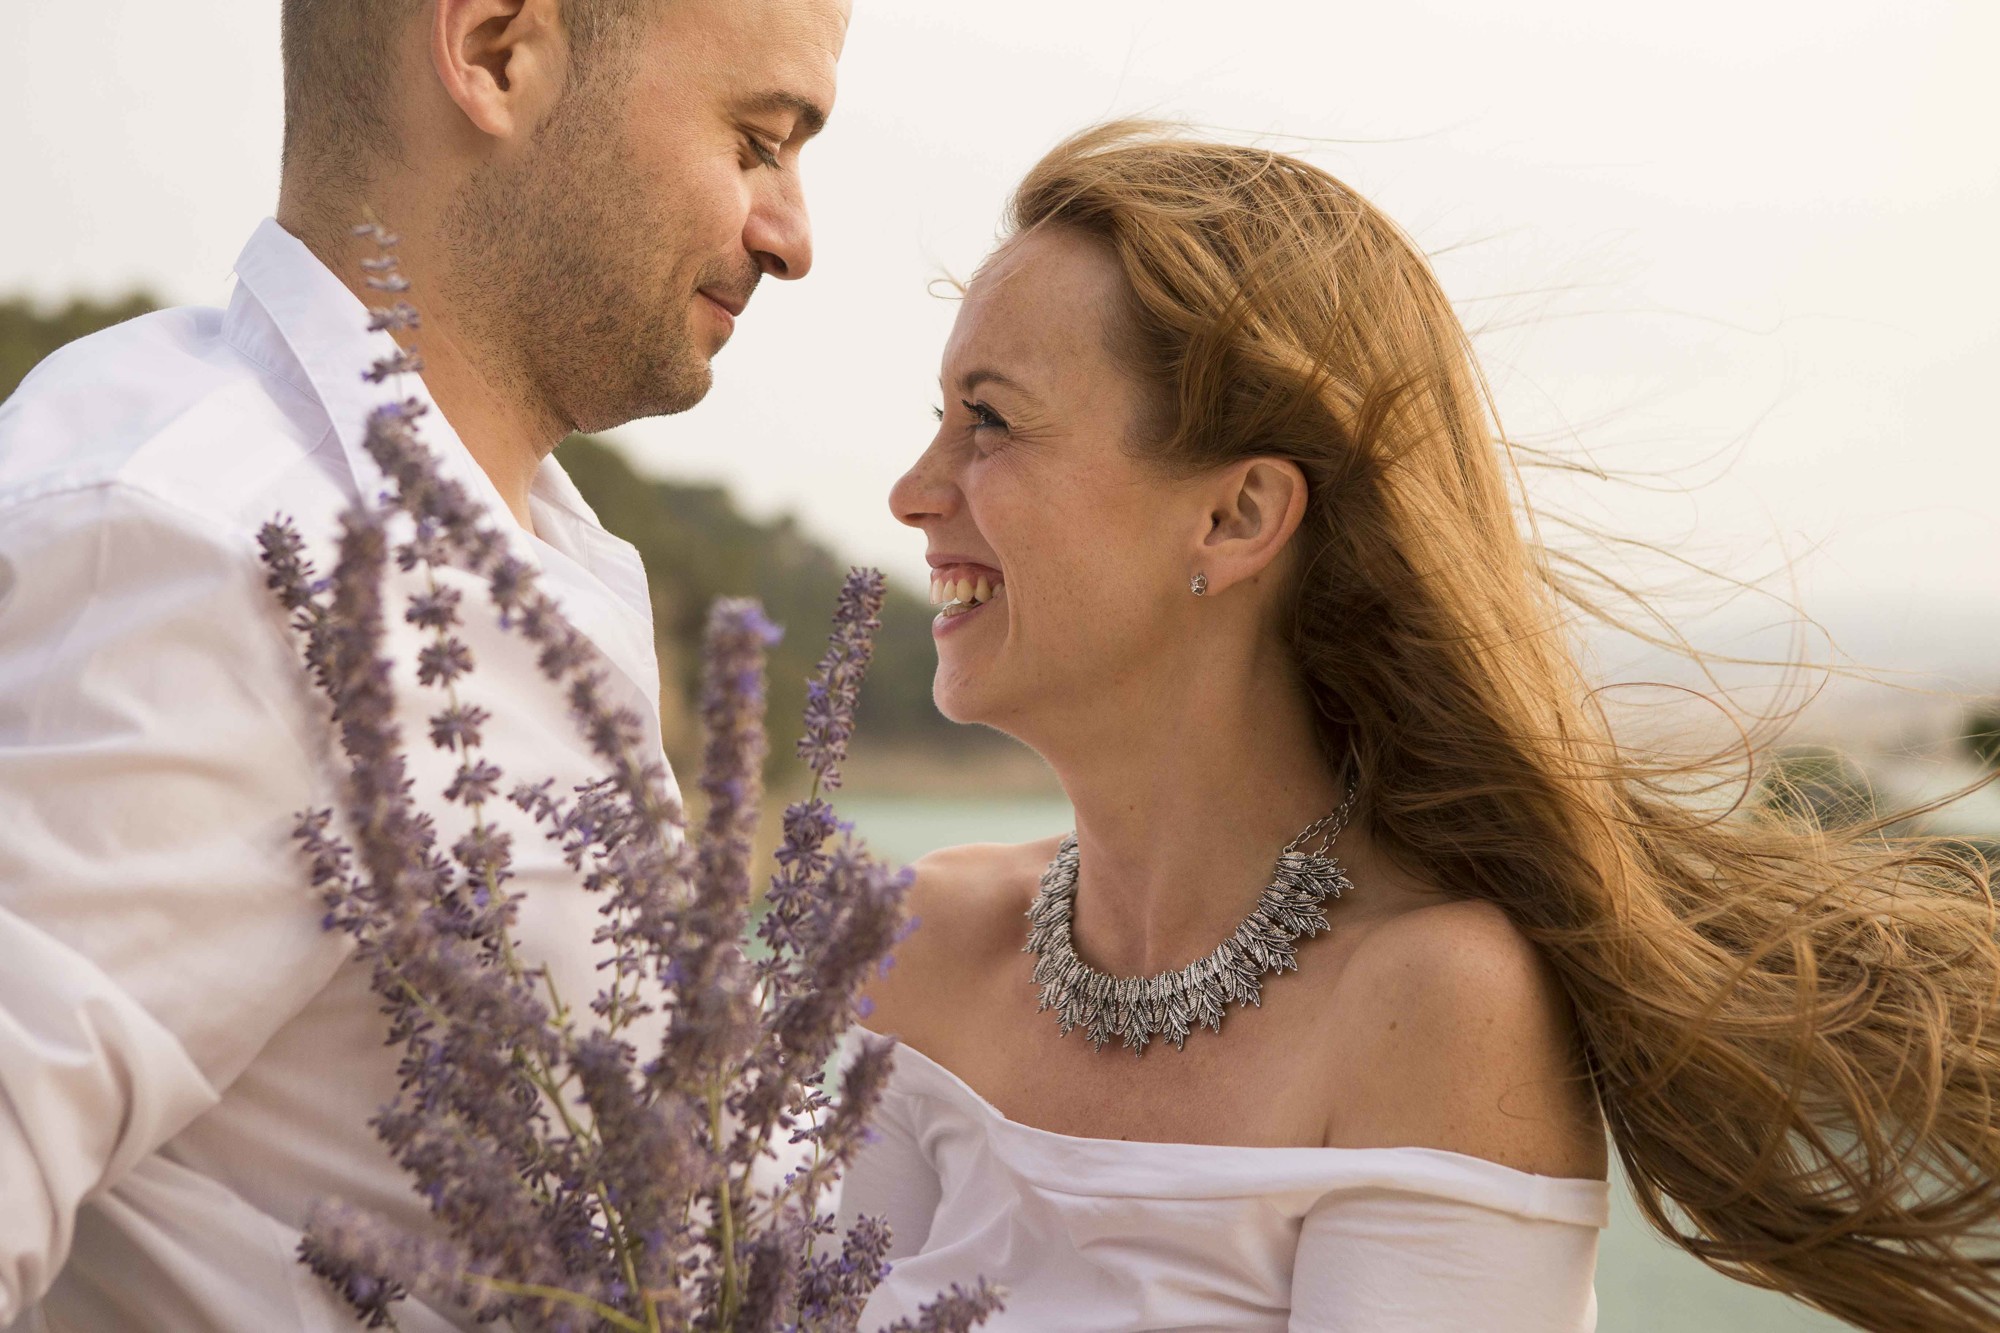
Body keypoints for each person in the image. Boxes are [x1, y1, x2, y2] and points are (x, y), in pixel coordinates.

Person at [841, 122, 2000, 1332]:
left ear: (1237, 515)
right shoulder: (926, 945)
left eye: (989, 420)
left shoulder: (1435, 1008)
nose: (914, 490)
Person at [0, 0, 848, 1326]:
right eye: (756, 140)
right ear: (498, 50)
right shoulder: (213, 551)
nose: (791, 235)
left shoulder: (517, 549)